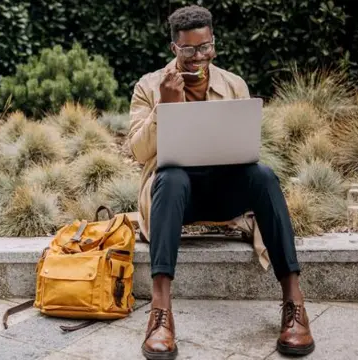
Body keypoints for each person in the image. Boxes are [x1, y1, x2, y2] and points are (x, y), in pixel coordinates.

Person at [127, 5, 315, 360]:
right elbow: (138, 152)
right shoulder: (149, 86)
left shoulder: (233, 84)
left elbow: (245, 146)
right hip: (175, 198)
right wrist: (163, 110)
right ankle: (160, 313)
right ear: (174, 49)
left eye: (205, 47)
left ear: (213, 44)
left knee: (263, 175)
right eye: (188, 50)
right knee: (170, 177)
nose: (198, 57)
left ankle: (294, 303)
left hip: (223, 193)